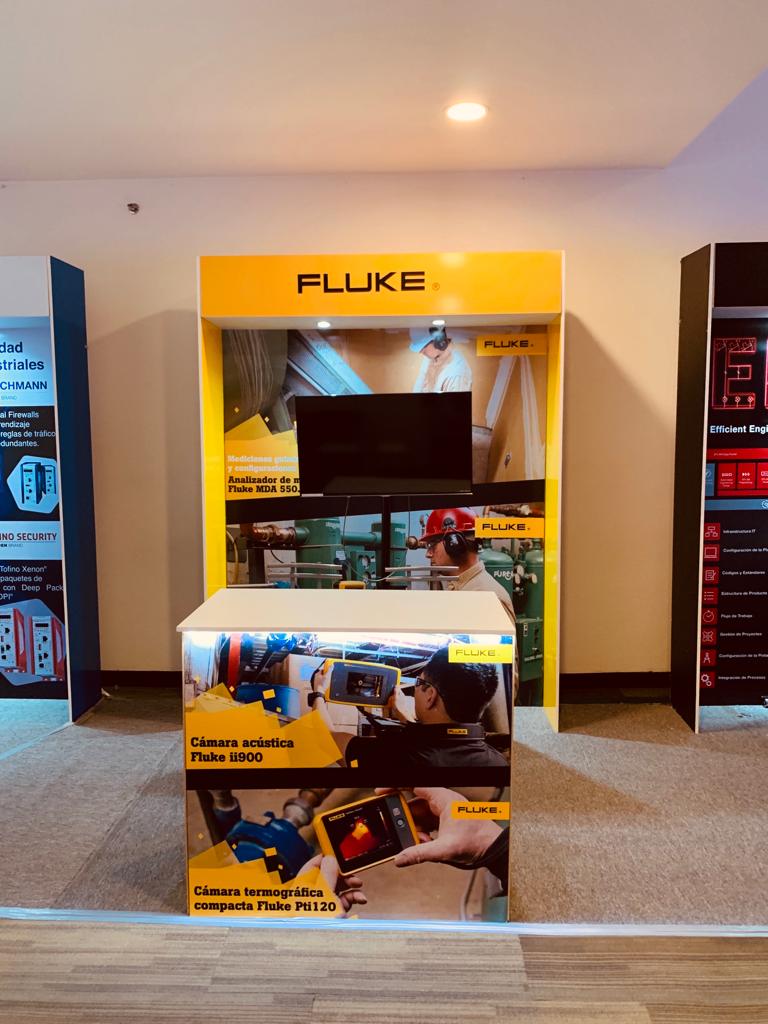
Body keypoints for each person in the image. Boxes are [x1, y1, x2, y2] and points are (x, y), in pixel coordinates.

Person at [309, 646, 509, 770]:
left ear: (430, 696)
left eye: (419, 682)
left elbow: (325, 740)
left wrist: (319, 692)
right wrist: (408, 721)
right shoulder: (497, 762)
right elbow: (444, 741)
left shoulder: (399, 756)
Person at [420, 507, 516, 625]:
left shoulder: (488, 598)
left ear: (454, 543)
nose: (428, 554)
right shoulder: (461, 588)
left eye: (432, 545)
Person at [410, 326, 472, 393]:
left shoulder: (457, 373)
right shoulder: (431, 357)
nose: (420, 351)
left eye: (423, 347)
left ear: (439, 342)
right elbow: (419, 385)